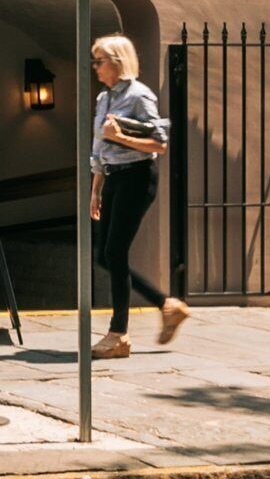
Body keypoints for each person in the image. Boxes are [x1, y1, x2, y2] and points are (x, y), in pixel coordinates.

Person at [84, 34, 187, 359]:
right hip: (113, 177)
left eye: (99, 61)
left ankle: (118, 335)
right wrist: (96, 189)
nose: (95, 67)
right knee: (105, 256)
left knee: (115, 251)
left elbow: (160, 143)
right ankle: (167, 305)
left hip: (137, 178)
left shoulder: (140, 96)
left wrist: (122, 137)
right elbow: (99, 146)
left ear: (116, 62)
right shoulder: (103, 99)